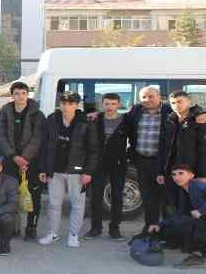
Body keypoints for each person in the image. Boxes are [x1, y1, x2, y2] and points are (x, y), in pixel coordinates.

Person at [38, 92, 99, 248]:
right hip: (55, 170)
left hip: (76, 171)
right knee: (54, 204)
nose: (66, 107)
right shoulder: (52, 119)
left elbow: (93, 150)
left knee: (77, 204)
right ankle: (52, 233)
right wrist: (43, 168)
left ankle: (73, 234)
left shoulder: (86, 122)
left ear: (76, 105)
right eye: (63, 103)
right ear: (59, 104)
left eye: (70, 104)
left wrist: (88, 172)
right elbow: (44, 146)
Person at [0, 81, 46, 240]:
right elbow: (1, 136)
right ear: (12, 95)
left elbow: (38, 138)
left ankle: (31, 227)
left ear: (28, 94)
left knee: (32, 196)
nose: (20, 97)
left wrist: (24, 159)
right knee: (10, 195)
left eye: (24, 93)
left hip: (31, 162)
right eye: (17, 93)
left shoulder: (37, 114)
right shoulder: (5, 111)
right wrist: (13, 156)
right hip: (10, 160)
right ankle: (13, 227)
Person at [123, 86, 172, 232]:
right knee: (147, 196)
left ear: (159, 97)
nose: (147, 100)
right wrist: (93, 115)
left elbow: (190, 110)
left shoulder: (169, 110)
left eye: (151, 96)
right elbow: (118, 118)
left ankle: (168, 229)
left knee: (167, 198)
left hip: (163, 162)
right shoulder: (136, 111)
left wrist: (199, 113)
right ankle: (150, 225)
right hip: (142, 161)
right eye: (144, 97)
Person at [85, 93, 128, 241]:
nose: (110, 107)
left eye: (113, 104)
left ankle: (114, 229)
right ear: (102, 104)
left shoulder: (126, 120)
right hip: (99, 164)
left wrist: (127, 156)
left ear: (118, 104)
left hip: (118, 164)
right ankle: (95, 228)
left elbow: (134, 139)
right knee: (95, 197)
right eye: (107, 104)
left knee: (117, 197)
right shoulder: (95, 119)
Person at [149, 164, 206, 269]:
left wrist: (201, 211)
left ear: (191, 175)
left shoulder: (197, 185)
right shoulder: (185, 190)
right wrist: (160, 225)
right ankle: (198, 254)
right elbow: (179, 214)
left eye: (181, 173)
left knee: (197, 223)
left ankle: (202, 258)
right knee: (179, 224)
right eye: (174, 174)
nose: (177, 177)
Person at [161, 91, 206, 212]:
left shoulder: (199, 120)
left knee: (193, 207)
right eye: (173, 103)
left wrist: (202, 174)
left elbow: (203, 149)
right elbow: (164, 148)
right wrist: (161, 172)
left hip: (192, 173)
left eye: (180, 101)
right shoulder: (170, 120)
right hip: (172, 172)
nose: (176, 105)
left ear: (189, 102)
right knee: (172, 205)